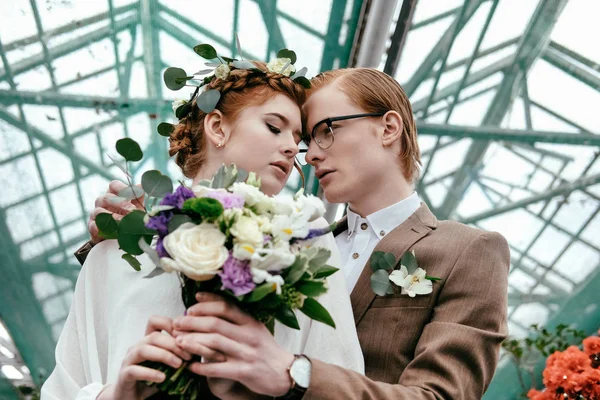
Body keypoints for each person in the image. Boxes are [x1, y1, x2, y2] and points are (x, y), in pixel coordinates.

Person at [160, 68, 510, 400]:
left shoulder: (470, 251)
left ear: (388, 127)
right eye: (307, 141)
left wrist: (295, 375)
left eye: (325, 130)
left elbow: (441, 396)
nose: (310, 154)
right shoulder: (285, 244)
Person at [41, 61, 364, 400]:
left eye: (297, 140)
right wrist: (116, 394)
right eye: (274, 127)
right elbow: (63, 387)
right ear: (217, 127)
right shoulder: (115, 252)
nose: (291, 148)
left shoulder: (306, 239)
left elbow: (339, 369)